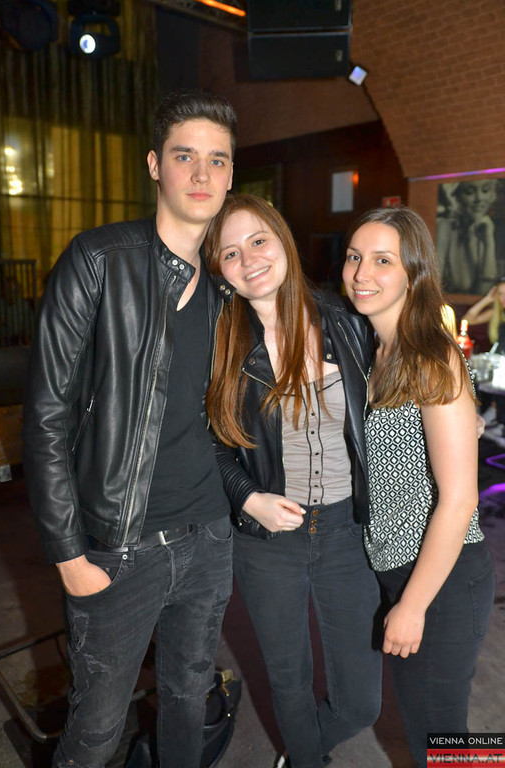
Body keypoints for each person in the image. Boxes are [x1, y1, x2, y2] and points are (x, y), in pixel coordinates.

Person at [22, 90, 236, 768]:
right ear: (154, 165)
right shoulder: (99, 259)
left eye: (217, 160)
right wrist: (68, 554)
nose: (201, 174)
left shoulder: (228, 284)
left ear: (231, 174)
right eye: (184, 156)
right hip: (118, 551)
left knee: (188, 701)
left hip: (208, 538)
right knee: (96, 730)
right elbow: (47, 414)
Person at [204, 193, 382, 768]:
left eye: (258, 240)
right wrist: (248, 497)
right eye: (230, 252)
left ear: (282, 240)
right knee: (288, 681)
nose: (249, 259)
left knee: (361, 703)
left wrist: (457, 403)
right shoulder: (221, 344)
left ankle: (307, 748)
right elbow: (206, 445)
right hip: (267, 544)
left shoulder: (348, 319)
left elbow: (414, 360)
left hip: (347, 532)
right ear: (220, 270)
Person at [342, 206, 495, 768]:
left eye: (383, 260)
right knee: (430, 728)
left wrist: (412, 605)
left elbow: (459, 500)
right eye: (354, 257)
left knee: (440, 737)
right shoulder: (376, 353)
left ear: (414, 274)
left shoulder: (432, 357)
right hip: (399, 569)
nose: (362, 273)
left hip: (441, 577)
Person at [436, 179, 498, 294]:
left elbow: (485, 289)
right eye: (469, 192)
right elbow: (434, 283)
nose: (479, 198)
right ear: (456, 196)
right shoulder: (445, 226)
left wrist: (489, 242)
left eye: (485, 190)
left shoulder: (489, 227)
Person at [463, 276, 505, 353]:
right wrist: (487, 299)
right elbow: (467, 320)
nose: (503, 298)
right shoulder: (496, 313)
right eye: (500, 294)